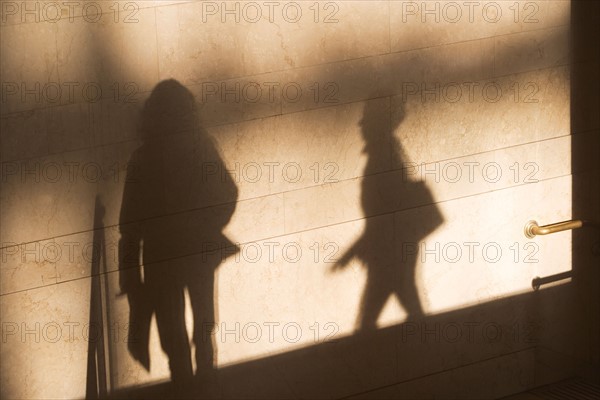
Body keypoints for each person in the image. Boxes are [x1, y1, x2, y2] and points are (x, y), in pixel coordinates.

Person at [118, 79, 238, 385]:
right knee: (203, 323)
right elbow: (228, 192)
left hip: (161, 257)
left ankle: (182, 382)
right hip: (198, 250)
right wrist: (206, 225)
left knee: (172, 332)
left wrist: (130, 278)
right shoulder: (201, 149)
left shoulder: (141, 160)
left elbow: (129, 227)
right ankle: (207, 377)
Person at [332, 101, 443, 330]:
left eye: (367, 122)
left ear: (377, 124)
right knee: (410, 311)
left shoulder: (381, 161)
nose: (361, 127)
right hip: (396, 249)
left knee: (368, 325)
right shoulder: (389, 155)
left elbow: (382, 217)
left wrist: (352, 253)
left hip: (389, 253)